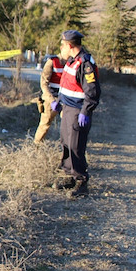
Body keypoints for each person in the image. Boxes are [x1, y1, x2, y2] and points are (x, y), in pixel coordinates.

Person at [50, 30, 101, 197]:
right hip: (67, 109)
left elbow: (92, 91)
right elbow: (67, 85)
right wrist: (58, 100)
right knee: (66, 142)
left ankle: (81, 180)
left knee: (76, 146)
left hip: (78, 111)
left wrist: (86, 111)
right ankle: (69, 176)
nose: (61, 47)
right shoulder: (72, 61)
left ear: (70, 45)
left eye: (63, 45)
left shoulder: (85, 64)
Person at [33, 54, 64, 143]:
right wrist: (52, 100)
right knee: (44, 125)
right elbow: (44, 83)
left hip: (65, 99)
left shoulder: (72, 62)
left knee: (69, 125)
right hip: (51, 99)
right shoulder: (52, 61)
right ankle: (36, 147)